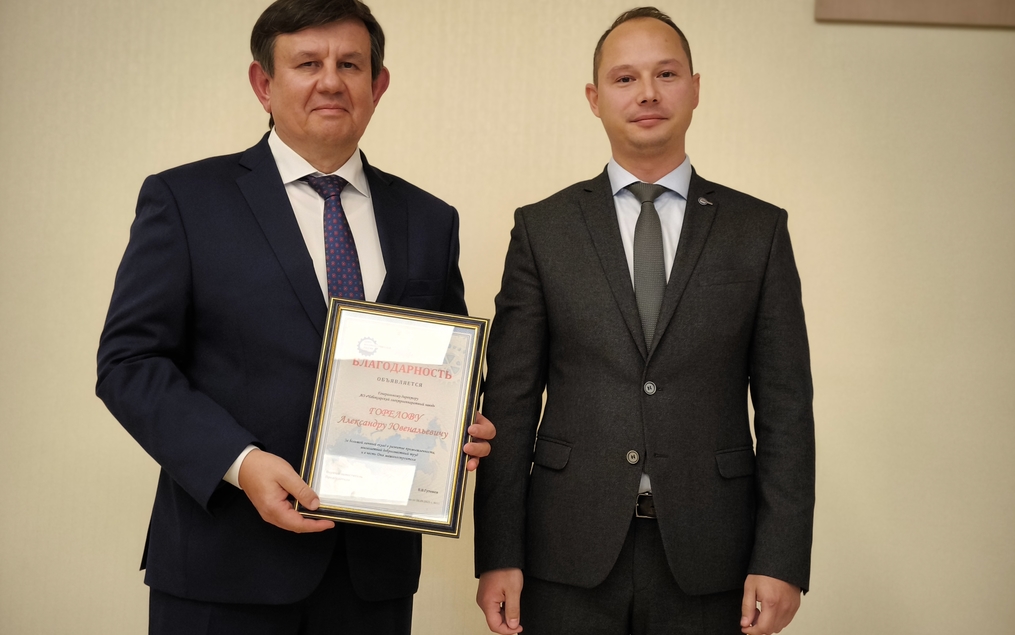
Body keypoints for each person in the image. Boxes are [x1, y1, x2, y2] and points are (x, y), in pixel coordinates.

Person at [96, 1, 493, 633]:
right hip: (224, 568)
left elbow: (447, 365)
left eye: (350, 65)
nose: (331, 81)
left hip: (371, 578)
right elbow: (129, 364)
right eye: (308, 63)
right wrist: (240, 461)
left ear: (378, 85)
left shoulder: (429, 220)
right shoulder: (186, 200)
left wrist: (461, 424)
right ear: (264, 83)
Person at [474, 7, 814, 635]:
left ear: (695, 88)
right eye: (625, 78)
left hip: (713, 555)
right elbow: (510, 404)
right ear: (594, 98)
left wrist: (781, 558)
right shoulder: (543, 229)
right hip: (565, 552)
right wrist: (498, 552)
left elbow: (786, 407)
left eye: (666, 74)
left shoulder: (757, 231)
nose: (648, 93)